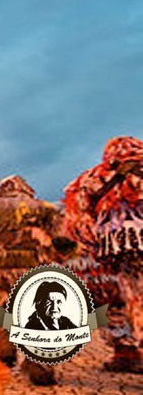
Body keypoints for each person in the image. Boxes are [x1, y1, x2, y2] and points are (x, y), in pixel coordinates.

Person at [0, 174, 71, 385]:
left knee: (2, 312)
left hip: (1, 273)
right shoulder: (44, 208)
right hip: (35, 272)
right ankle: (40, 368)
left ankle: (6, 349)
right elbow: (64, 239)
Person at [63, 135, 143, 373]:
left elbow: (77, 223)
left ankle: (125, 351)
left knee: (119, 304)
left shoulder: (89, 180)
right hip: (123, 254)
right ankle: (126, 354)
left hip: (116, 254)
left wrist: (94, 248)